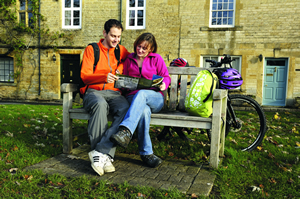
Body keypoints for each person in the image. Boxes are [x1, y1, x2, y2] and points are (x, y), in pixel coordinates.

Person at [110, 33, 171, 168]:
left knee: (143, 94)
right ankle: (146, 154)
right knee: (143, 111)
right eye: (139, 47)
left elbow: (166, 77)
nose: (141, 50)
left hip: (155, 98)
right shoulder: (129, 59)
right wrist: (121, 82)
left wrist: (164, 85)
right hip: (133, 98)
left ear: (151, 49)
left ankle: (125, 131)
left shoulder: (157, 59)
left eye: (144, 48)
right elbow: (123, 79)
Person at [80, 19, 130, 176]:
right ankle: (102, 155)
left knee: (126, 109)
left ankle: (100, 153)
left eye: (119, 36)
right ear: (104, 33)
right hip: (93, 92)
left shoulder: (120, 50)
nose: (116, 40)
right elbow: (84, 76)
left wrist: (121, 68)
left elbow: (131, 59)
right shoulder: (91, 49)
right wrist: (103, 77)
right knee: (100, 105)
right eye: (113, 36)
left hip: (114, 93)